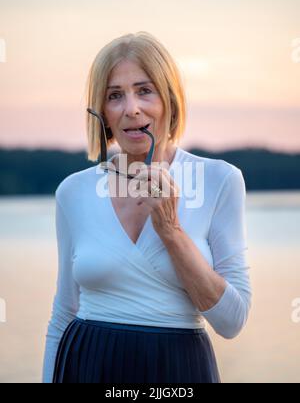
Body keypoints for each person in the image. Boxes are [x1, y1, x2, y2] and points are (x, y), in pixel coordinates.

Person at [42, 31, 251, 383]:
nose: (131, 108)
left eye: (144, 90)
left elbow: (231, 322)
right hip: (87, 365)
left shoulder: (220, 180)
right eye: (114, 96)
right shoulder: (73, 192)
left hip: (179, 369)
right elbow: (64, 311)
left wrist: (170, 228)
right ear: (103, 112)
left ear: (169, 99)